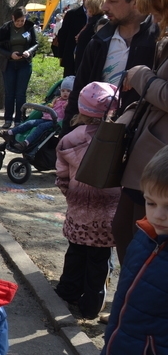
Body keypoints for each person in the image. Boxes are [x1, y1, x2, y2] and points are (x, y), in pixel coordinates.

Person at [97, 146, 168, 355]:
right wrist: (109, 351)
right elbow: (125, 300)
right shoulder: (144, 236)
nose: (158, 214)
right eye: (151, 203)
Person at [114, 0, 168, 265]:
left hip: (158, 155)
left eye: (157, 10)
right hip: (149, 152)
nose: (155, 18)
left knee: (141, 238)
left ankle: (135, 303)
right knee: (126, 231)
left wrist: (141, 77)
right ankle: (130, 299)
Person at [54, 82, 121, 320]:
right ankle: (91, 305)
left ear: (81, 109)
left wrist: (70, 196)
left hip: (79, 208)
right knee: (98, 260)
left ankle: (68, 291)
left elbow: (61, 175)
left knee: (75, 252)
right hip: (107, 213)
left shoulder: (70, 139)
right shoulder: (119, 141)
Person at [65, 0, 158, 127]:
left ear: (136, 2)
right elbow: (78, 91)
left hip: (141, 142)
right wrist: (66, 133)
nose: (105, 7)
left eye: (112, 0)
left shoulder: (159, 41)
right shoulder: (99, 41)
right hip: (94, 138)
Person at [0, 75, 73, 151]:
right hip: (46, 119)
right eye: (63, 91)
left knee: (40, 127)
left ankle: (26, 143)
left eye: (68, 91)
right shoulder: (56, 99)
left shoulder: (69, 103)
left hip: (56, 122)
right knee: (29, 122)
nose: (65, 93)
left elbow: (67, 111)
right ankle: (9, 133)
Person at [0, 7, 39, 129]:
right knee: (10, 93)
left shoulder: (29, 27)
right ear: (13, 18)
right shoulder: (5, 28)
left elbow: (35, 43)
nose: (20, 23)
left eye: (22, 21)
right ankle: (8, 119)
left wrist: (28, 52)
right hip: (9, 63)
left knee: (21, 94)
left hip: (24, 63)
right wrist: (10, 55)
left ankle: (19, 119)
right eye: (17, 21)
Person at [57, 0, 96, 77]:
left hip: (90, 56)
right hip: (72, 54)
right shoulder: (72, 14)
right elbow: (63, 34)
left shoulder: (99, 16)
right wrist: (61, 55)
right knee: (69, 83)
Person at [74, 0, 106, 71]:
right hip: (83, 61)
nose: (86, 10)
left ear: (93, 8)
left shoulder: (100, 22)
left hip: (89, 64)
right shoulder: (92, 21)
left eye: (88, 7)